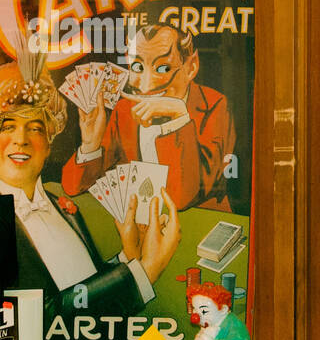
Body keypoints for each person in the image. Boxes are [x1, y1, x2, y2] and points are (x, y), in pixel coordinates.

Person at [0, 45, 181, 327]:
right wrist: (143, 272)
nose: (21, 140)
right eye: (7, 126)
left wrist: (127, 256)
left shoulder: (57, 199)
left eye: (35, 127)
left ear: (50, 141)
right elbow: (28, 323)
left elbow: (80, 287)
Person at [61, 21, 236, 212]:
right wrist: (90, 146)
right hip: (137, 221)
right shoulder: (124, 109)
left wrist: (178, 118)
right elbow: (72, 186)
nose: (145, 87)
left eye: (162, 69)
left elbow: (183, 197)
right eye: (137, 67)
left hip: (198, 221)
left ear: (191, 67)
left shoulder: (215, 105)